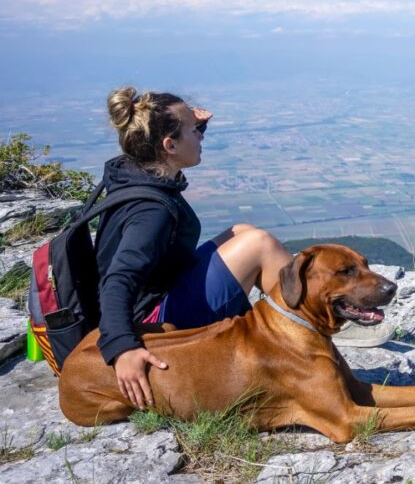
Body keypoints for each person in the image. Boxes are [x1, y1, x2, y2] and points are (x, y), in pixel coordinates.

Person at [96, 87, 391, 410]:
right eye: (195, 131)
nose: (201, 136)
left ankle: (313, 311)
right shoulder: (150, 213)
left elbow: (171, 144)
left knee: (242, 231)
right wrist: (122, 347)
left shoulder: (137, 171)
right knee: (258, 244)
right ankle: (317, 318)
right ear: (169, 145)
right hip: (153, 321)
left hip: (160, 293)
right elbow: (118, 279)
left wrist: (191, 124)